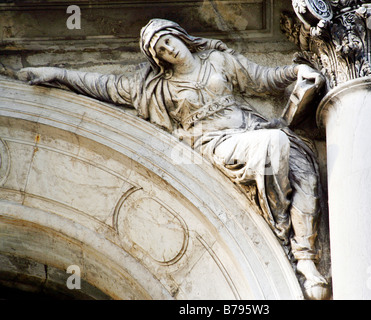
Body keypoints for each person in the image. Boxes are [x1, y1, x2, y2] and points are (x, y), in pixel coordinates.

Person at [17, 18, 329, 299]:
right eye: (161, 50)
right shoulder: (157, 88)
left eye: (168, 41)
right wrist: (56, 73)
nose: (169, 50)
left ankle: (305, 259)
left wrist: (297, 72)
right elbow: (105, 86)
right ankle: (279, 232)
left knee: (305, 170)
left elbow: (263, 78)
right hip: (215, 142)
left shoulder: (218, 61)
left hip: (250, 127)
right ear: (158, 59)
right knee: (272, 144)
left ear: (180, 36)